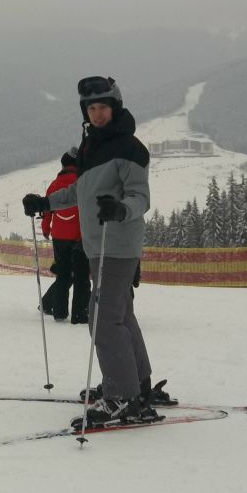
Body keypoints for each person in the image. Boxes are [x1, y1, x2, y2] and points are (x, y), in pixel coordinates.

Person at [23, 76, 166, 429]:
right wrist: (46, 203)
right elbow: (80, 192)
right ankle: (137, 382)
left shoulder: (129, 148)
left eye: (103, 107)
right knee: (120, 315)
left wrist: (120, 208)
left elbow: (140, 197)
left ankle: (122, 395)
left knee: (102, 318)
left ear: (114, 108)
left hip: (117, 244)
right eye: (91, 108)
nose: (97, 113)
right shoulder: (91, 147)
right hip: (98, 245)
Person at [39, 147, 90, 324]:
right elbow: (88, 212)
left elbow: (48, 209)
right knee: (81, 277)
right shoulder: (81, 184)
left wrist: (46, 228)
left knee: (63, 275)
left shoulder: (54, 184)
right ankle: (80, 314)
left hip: (58, 236)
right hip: (79, 237)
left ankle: (59, 312)